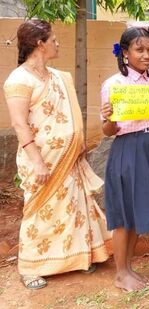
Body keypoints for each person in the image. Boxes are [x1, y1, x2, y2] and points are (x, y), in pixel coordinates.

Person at [3, 20, 111, 290]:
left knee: (72, 208)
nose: (58, 43)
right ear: (39, 43)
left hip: (68, 159)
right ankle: (31, 268)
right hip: (42, 161)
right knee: (40, 211)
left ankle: (75, 259)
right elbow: (19, 123)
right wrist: (37, 162)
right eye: (53, 39)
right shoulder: (19, 79)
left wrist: (77, 146)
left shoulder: (58, 77)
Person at [101, 27, 149, 291]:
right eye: (139, 50)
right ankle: (120, 273)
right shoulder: (114, 85)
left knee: (136, 212)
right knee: (124, 214)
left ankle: (128, 269)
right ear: (125, 53)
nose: (146, 55)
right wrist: (109, 118)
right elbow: (109, 131)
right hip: (129, 150)